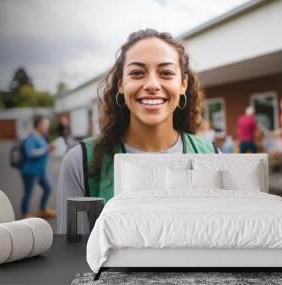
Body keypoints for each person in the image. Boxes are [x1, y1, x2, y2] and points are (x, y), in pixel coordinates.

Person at [57, 29, 219, 234]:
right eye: (137, 73)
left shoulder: (212, 156)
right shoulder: (80, 161)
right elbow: (71, 257)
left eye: (166, 73)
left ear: (183, 84)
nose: (152, 84)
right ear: (121, 85)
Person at [20, 115, 56, 219]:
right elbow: (30, 153)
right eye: (45, 125)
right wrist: (47, 149)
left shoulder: (41, 136)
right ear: (39, 125)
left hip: (40, 171)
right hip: (30, 171)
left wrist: (49, 149)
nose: (47, 127)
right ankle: (24, 213)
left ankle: (42, 209)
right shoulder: (31, 137)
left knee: (48, 188)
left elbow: (43, 151)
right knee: (29, 193)